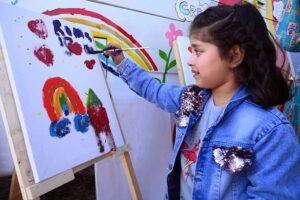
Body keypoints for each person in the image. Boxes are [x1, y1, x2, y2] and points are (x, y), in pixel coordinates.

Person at [104, 3, 300, 199]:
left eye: (198, 51)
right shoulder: (191, 100)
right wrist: (122, 62)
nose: (190, 60)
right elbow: (155, 91)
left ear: (234, 56)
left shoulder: (270, 131)